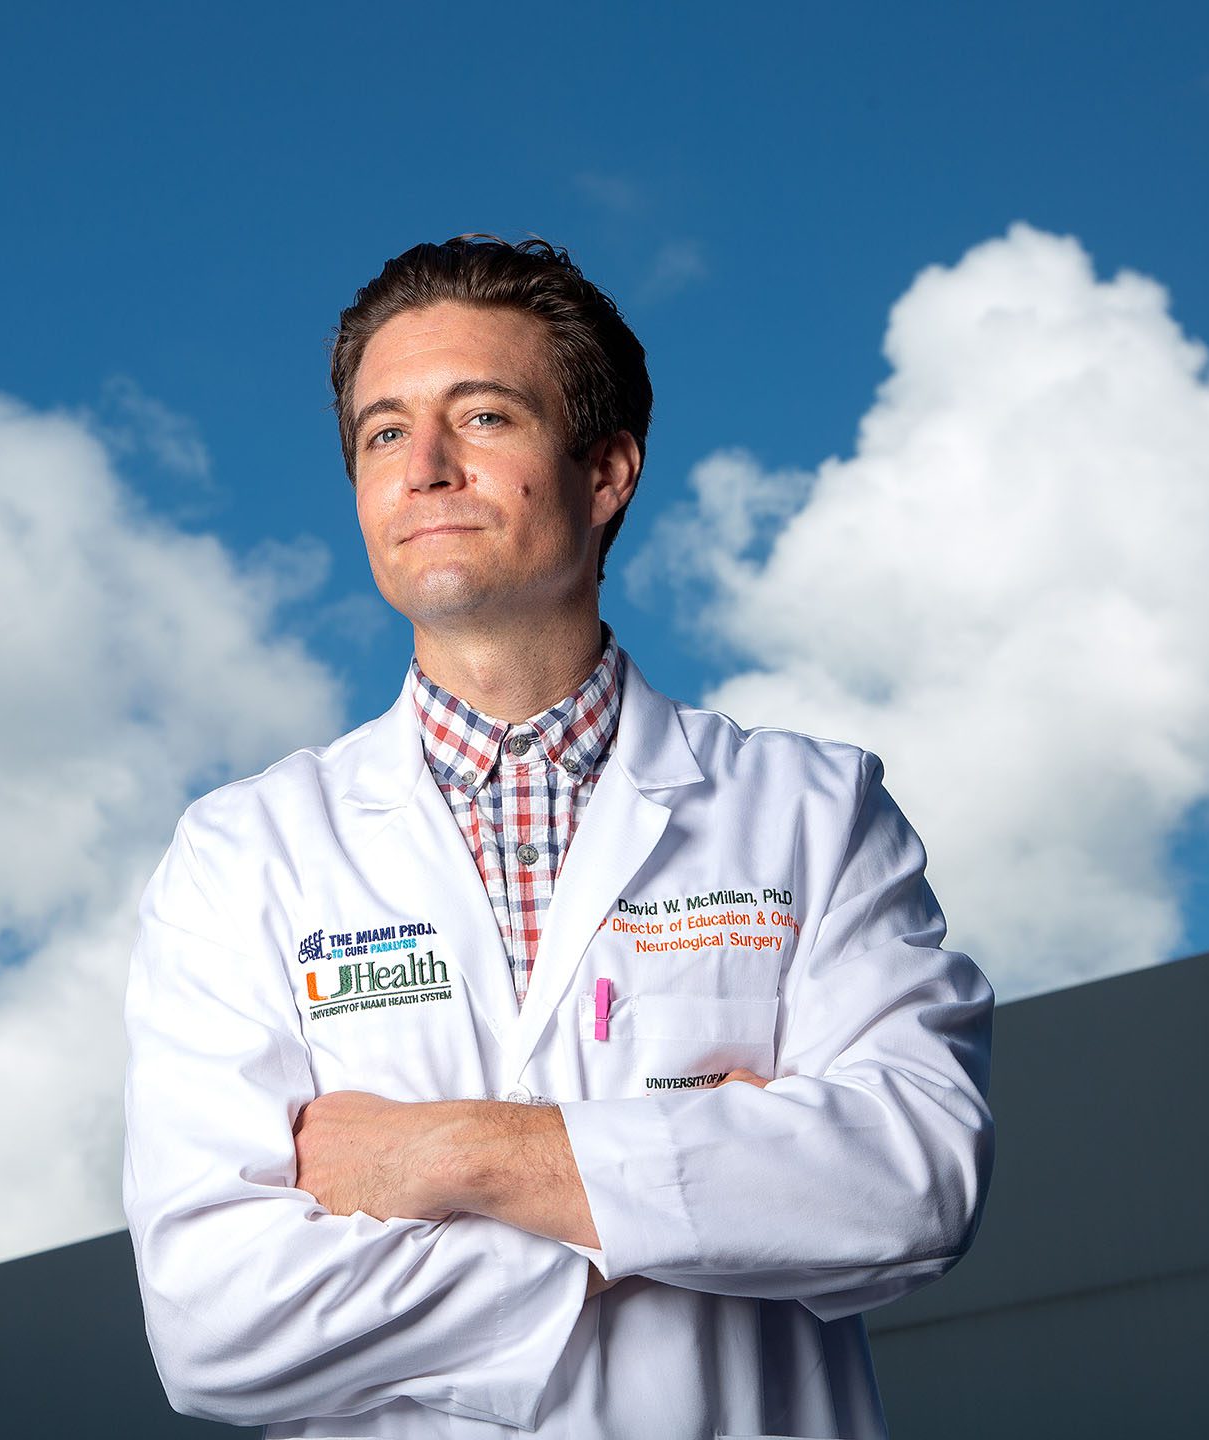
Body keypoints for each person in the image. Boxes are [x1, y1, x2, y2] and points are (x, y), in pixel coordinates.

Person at [122, 235, 994, 1440]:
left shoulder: (813, 811)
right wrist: (694, 1197)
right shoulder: (242, 855)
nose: (425, 468)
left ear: (606, 471)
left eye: (482, 417)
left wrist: (456, 1156)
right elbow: (216, 1325)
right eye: (383, 433)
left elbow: (908, 1186)